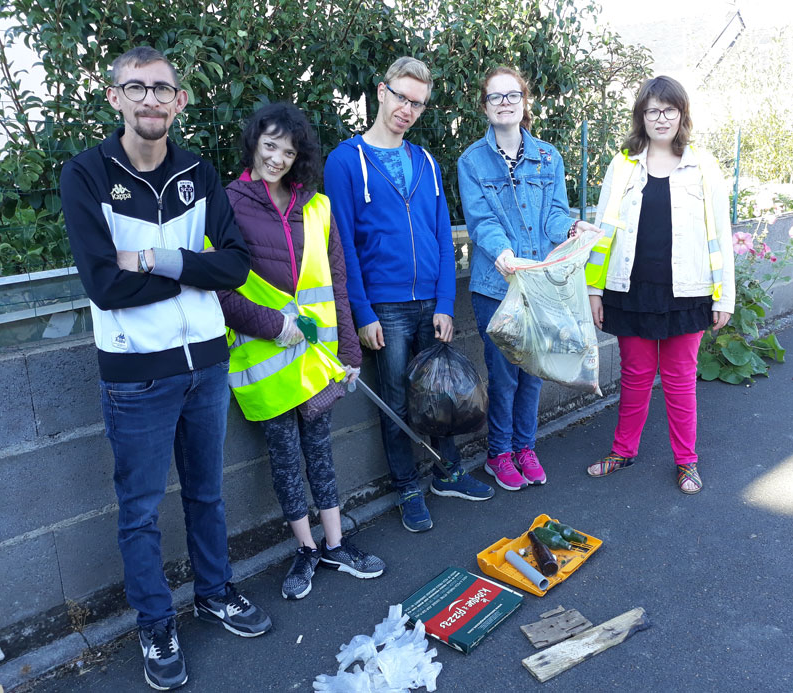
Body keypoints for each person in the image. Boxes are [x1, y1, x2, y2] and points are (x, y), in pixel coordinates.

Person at [59, 47, 270, 691]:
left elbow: (236, 266)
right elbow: (103, 285)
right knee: (140, 510)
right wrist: (190, 270)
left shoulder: (199, 173)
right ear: (114, 96)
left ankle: (215, 592)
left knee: (207, 493)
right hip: (135, 376)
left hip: (206, 363)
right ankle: (156, 624)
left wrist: (153, 260)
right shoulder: (86, 174)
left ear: (179, 101)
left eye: (162, 90)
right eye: (136, 88)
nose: (150, 99)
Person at [218, 103, 386, 600]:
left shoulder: (317, 205)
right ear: (253, 143)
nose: (277, 158)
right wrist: (274, 325)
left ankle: (336, 543)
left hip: (316, 358)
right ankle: (305, 548)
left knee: (320, 451)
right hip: (264, 359)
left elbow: (337, 280)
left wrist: (351, 350)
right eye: (270, 146)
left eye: (288, 151)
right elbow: (220, 288)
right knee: (285, 459)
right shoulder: (227, 202)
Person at [324, 56, 495, 533]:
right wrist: (361, 312)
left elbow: (443, 237)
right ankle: (407, 488)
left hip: (429, 304)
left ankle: (448, 473)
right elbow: (344, 248)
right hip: (385, 306)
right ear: (381, 92)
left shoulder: (425, 162)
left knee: (441, 394)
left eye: (417, 103)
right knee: (399, 400)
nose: (408, 109)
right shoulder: (345, 161)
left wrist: (444, 303)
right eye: (401, 97)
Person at [585, 75, 734, 494]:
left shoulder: (702, 165)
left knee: (680, 379)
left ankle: (687, 461)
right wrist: (596, 291)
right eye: (652, 110)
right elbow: (602, 231)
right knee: (634, 376)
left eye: (670, 109)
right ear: (642, 117)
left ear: (681, 114)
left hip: (688, 292)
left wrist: (725, 295)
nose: (661, 117)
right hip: (629, 290)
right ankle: (623, 450)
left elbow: (720, 233)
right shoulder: (623, 164)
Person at [458, 66, 599, 492]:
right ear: (484, 106)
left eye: (512, 95)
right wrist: (504, 254)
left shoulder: (549, 157)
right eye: (496, 96)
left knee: (534, 371)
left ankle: (525, 447)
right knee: (503, 375)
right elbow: (480, 219)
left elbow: (555, 213)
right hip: (497, 287)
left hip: (540, 284)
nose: (505, 102)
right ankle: (499, 453)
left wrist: (571, 229)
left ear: (525, 101)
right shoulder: (471, 161)